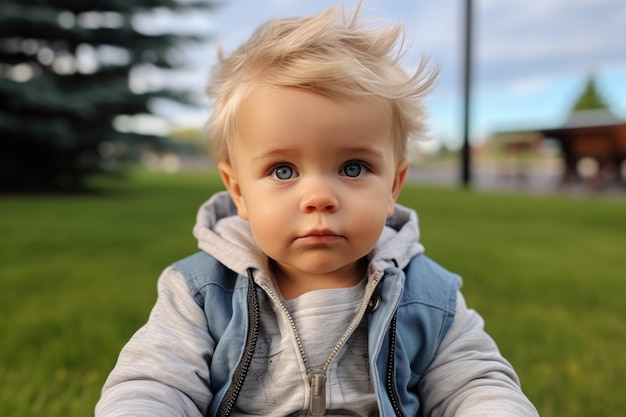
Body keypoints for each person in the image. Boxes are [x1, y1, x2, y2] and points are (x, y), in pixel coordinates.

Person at [96, 3, 539, 416]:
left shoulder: (427, 296)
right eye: (284, 170)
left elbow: (476, 382)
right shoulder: (202, 293)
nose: (319, 197)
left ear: (393, 187)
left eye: (353, 167)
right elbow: (154, 384)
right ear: (239, 192)